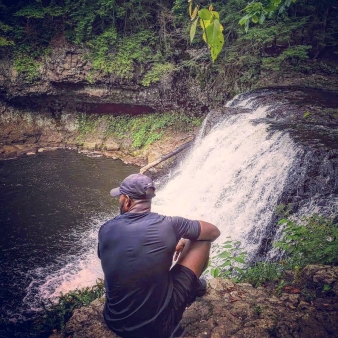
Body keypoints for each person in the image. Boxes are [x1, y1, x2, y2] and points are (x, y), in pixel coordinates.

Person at [98, 173, 220, 338]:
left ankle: (192, 285)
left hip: (114, 321)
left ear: (126, 200)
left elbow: (119, 256)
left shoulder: (105, 229)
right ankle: (193, 285)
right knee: (202, 240)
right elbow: (213, 232)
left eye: (119, 197)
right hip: (159, 328)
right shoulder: (169, 224)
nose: (119, 200)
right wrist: (184, 238)